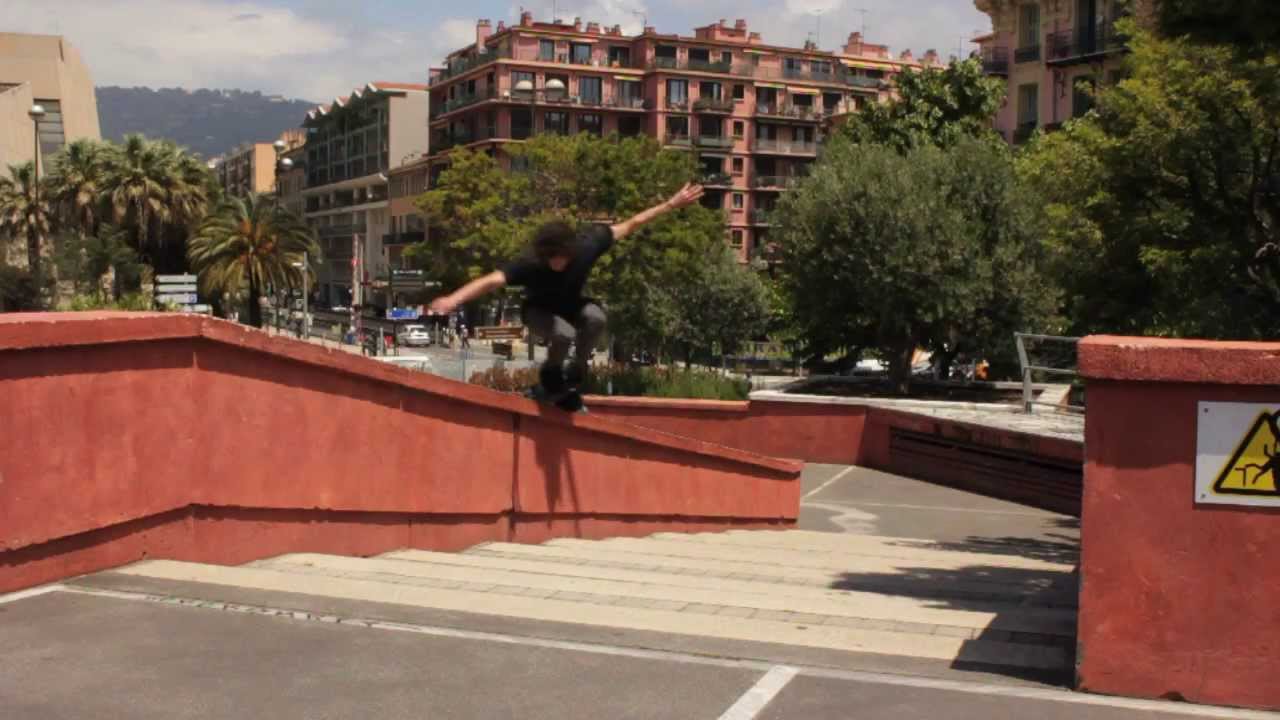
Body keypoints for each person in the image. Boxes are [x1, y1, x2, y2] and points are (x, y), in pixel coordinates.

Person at [429, 182, 705, 395]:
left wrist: (670, 204)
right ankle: (550, 377)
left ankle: (577, 371)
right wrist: (453, 299)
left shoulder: (588, 245)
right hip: (538, 312)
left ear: (571, 251)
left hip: (572, 305)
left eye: (562, 258)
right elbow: (491, 281)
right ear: (544, 254)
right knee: (563, 333)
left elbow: (632, 224)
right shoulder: (530, 263)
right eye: (552, 259)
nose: (558, 263)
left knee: (597, 318)